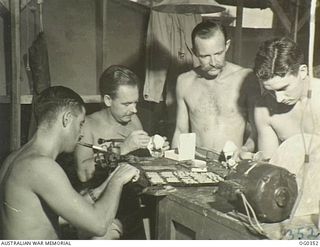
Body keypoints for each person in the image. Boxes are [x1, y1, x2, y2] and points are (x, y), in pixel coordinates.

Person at [0, 86, 140, 239]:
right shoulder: (41, 166)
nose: (81, 134)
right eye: (80, 124)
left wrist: (105, 185)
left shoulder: (14, 158)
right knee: (108, 231)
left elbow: (48, 215)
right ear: (66, 119)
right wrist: (118, 180)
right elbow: (99, 225)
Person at [172, 21, 259, 157]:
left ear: (227, 46)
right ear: (194, 52)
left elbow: (257, 131)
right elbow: (180, 131)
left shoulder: (246, 78)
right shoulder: (184, 82)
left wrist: (245, 150)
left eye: (218, 53)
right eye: (205, 56)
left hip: (232, 164)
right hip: (197, 163)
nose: (213, 62)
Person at [254, 37, 320, 159]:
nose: (278, 99)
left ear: (302, 71)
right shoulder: (263, 108)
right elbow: (271, 168)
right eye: (270, 91)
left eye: (283, 88)